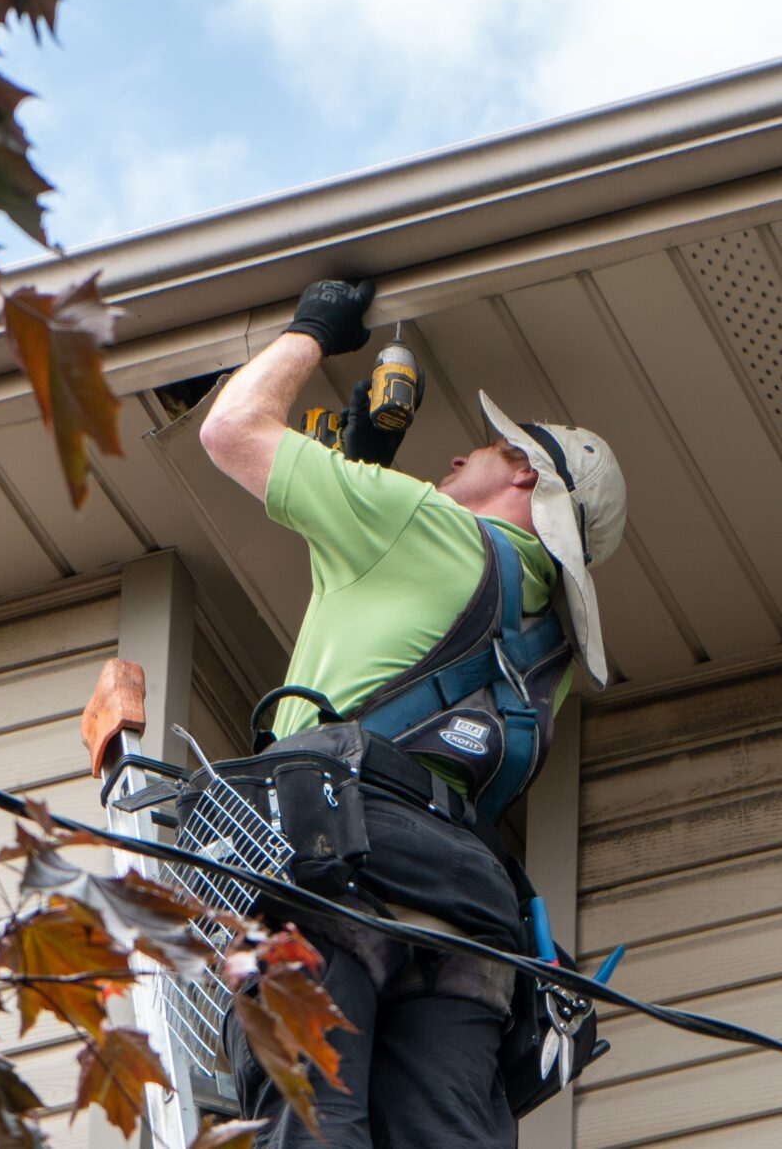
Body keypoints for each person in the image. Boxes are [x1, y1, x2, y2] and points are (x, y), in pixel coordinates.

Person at [196, 277, 627, 1149]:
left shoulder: (421, 527)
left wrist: (312, 331)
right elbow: (393, 641)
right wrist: (363, 478)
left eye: (481, 447)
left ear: (522, 471)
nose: (458, 458)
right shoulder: (552, 645)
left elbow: (231, 429)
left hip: (335, 861)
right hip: (469, 913)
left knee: (314, 1117)